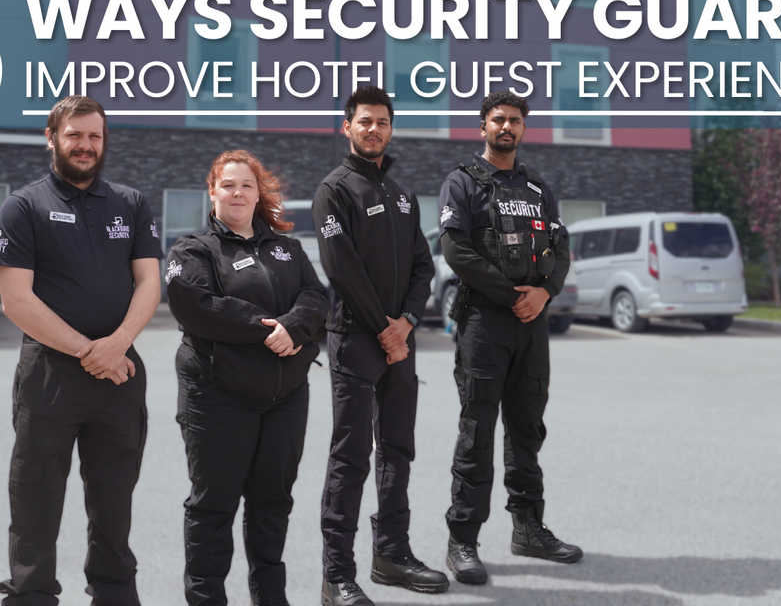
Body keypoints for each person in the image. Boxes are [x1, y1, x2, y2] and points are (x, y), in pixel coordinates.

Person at [0, 95, 163, 606]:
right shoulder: (24, 206)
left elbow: (149, 282)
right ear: (52, 138)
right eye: (75, 135)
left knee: (113, 498)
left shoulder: (130, 203)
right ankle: (31, 594)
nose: (85, 146)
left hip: (121, 374)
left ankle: (113, 593)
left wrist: (119, 344)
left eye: (95, 136)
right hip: (50, 374)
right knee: (36, 495)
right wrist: (93, 351)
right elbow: (16, 300)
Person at [166, 150, 329, 606]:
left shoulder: (287, 247)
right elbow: (195, 304)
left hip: (285, 397)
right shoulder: (193, 249)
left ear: (259, 194)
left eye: (247, 186)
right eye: (228, 185)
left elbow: (316, 297)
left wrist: (293, 327)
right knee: (213, 508)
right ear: (212, 192)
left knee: (272, 505)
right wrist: (269, 329)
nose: (238, 193)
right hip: (218, 398)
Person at [437, 91, 582, 585]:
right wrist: (510, 294)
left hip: (531, 324)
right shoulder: (462, 182)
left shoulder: (538, 187)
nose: (506, 127)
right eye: (498, 119)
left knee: (527, 428)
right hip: (485, 322)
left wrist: (543, 294)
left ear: (523, 128)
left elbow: (561, 249)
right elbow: (455, 250)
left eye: (515, 121)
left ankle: (528, 528)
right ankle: (463, 541)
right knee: (477, 431)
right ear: (483, 126)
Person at [314, 86, 446, 606]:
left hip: (399, 341)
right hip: (355, 341)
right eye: (365, 121)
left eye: (383, 122)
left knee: (398, 449)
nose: (374, 129)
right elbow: (341, 269)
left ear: (391, 130)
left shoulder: (402, 194)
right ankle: (336, 576)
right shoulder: (335, 190)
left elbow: (423, 265)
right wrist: (385, 331)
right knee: (351, 458)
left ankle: (391, 553)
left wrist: (407, 322)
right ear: (346, 127)